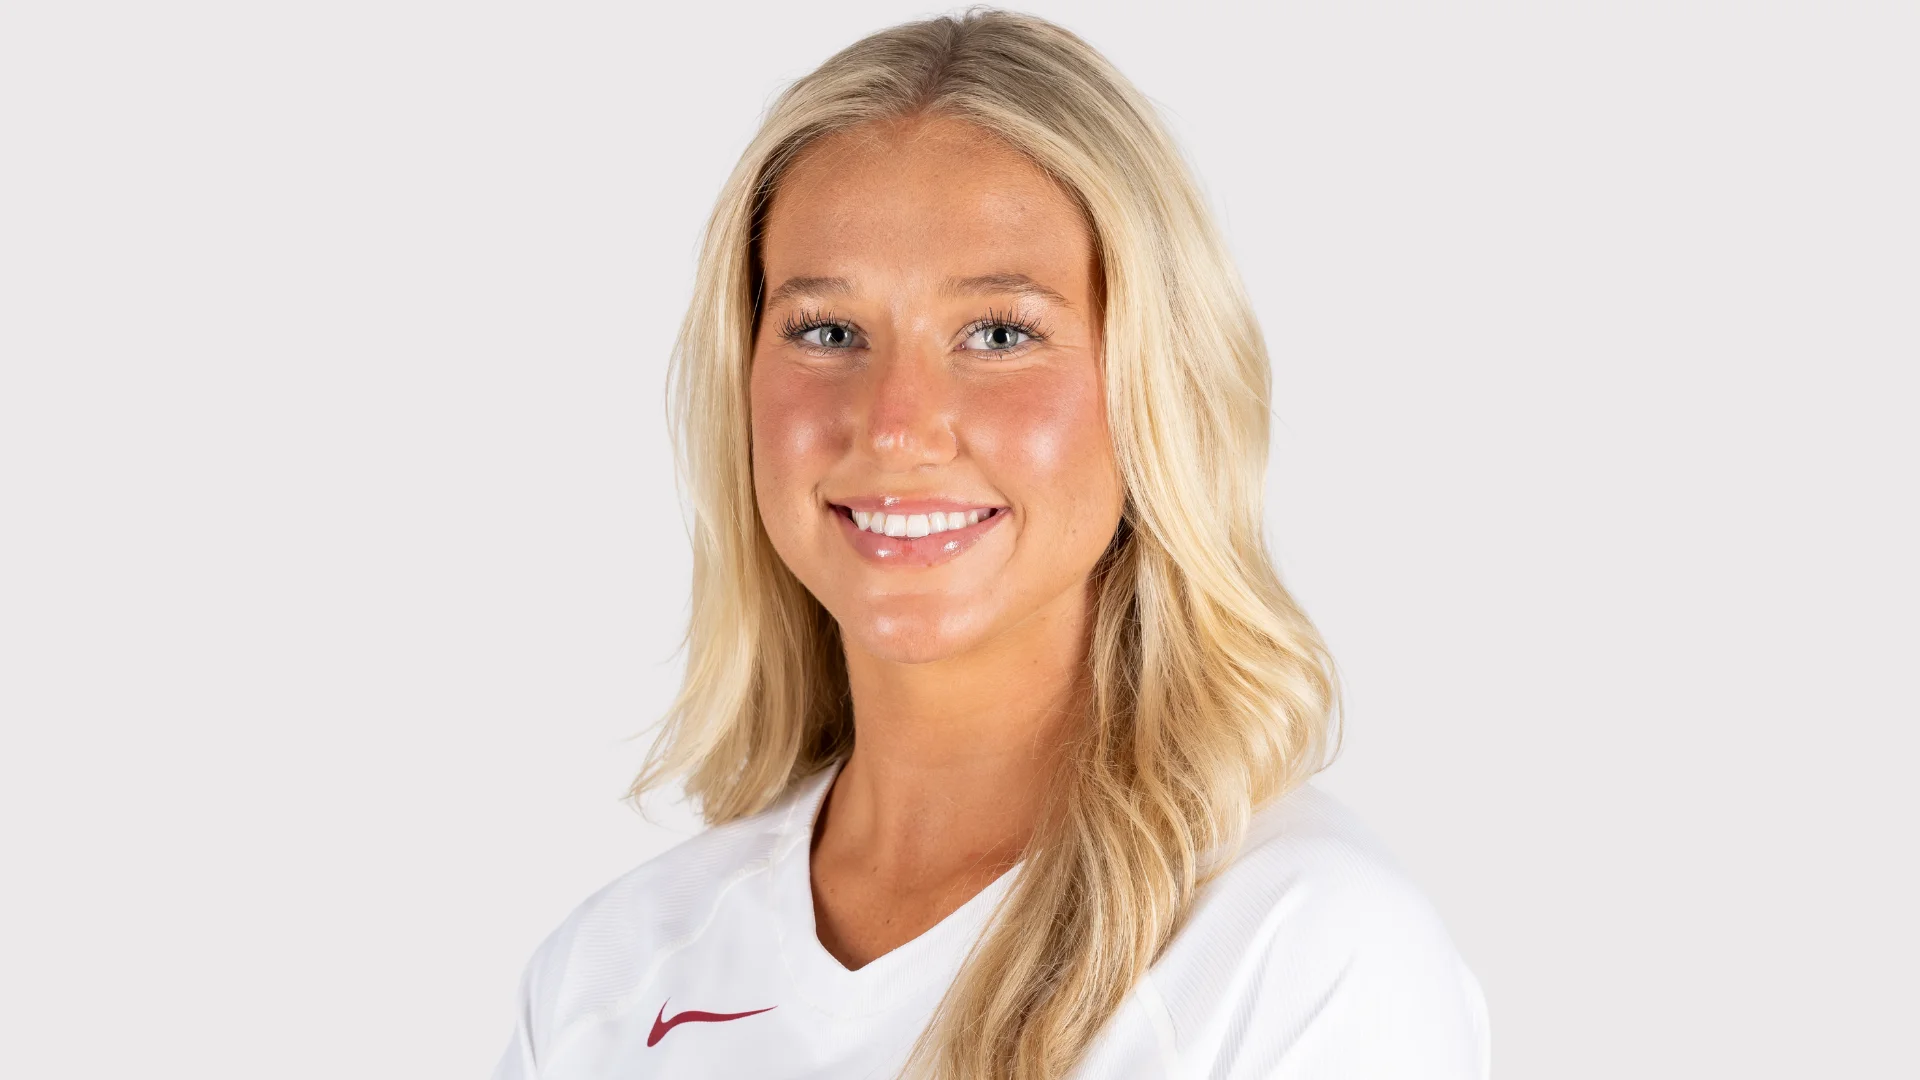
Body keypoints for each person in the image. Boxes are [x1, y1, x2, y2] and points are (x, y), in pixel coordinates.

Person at [492, 10, 1488, 1079]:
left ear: (1157, 386)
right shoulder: (609, 973)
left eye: (1000, 334)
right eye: (828, 331)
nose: (896, 426)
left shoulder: (1302, 955)